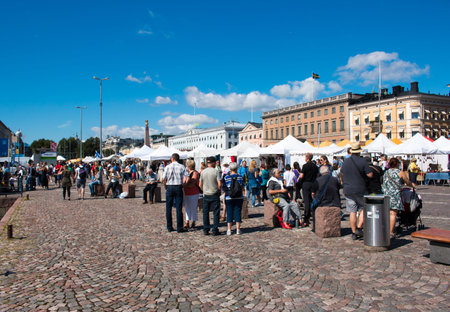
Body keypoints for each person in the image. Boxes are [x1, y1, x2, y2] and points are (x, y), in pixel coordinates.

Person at [341, 143, 373, 240]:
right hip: (360, 188)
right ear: (359, 152)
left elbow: (341, 173)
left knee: (352, 211)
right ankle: (359, 227)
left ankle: (354, 232)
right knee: (364, 207)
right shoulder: (362, 161)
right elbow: (370, 175)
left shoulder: (345, 161)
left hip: (348, 189)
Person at [382, 157, 415, 239]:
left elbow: (383, 183)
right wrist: (412, 185)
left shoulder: (386, 172)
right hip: (395, 194)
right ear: (397, 164)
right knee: (393, 213)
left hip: (386, 194)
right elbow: (407, 181)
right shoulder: (400, 172)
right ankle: (391, 232)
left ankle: (386, 230)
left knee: (387, 213)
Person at [163, 153, 189, 233]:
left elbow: (164, 179)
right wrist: (184, 185)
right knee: (179, 208)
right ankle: (179, 227)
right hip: (178, 186)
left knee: (168, 208)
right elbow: (187, 177)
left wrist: (165, 186)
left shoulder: (167, 167)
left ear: (172, 158)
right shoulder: (182, 166)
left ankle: (169, 227)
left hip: (169, 186)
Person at [311, 166, 341, 231]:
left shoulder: (317, 180)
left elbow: (313, 193)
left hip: (322, 202)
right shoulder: (335, 179)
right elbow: (339, 188)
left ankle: (315, 227)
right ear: (328, 171)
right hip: (335, 201)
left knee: (313, 208)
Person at [200, 156, 222, 235]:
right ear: (213, 163)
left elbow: (200, 184)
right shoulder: (216, 171)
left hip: (206, 194)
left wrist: (204, 190)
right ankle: (215, 229)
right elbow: (219, 184)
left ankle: (206, 229)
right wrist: (218, 190)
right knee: (215, 212)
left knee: (205, 212)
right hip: (214, 193)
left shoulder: (203, 172)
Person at [223, 162, 245, 235]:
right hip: (239, 197)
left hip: (229, 197)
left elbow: (224, 188)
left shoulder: (226, 177)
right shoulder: (240, 177)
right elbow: (242, 186)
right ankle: (238, 229)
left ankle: (229, 229)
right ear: (237, 168)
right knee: (237, 212)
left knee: (229, 212)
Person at [300, 153, 318, 227]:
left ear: (307, 158)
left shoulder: (305, 166)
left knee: (306, 200)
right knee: (312, 199)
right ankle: (313, 213)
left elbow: (302, 175)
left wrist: (299, 182)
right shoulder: (315, 166)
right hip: (313, 183)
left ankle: (307, 215)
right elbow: (317, 176)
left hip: (306, 183)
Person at [183, 160, 200, 229]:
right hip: (186, 192)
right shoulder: (186, 173)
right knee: (187, 207)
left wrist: (183, 185)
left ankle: (194, 221)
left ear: (189, 166)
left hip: (193, 192)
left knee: (193, 207)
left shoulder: (195, 173)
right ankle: (187, 221)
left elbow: (192, 184)